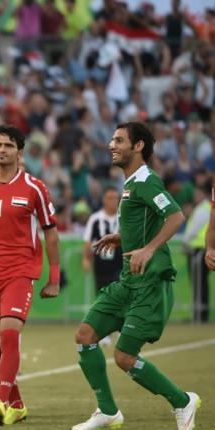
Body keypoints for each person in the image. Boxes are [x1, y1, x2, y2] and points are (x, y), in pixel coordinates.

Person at [73, 123, 200, 430]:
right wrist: (123, 237)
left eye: (119, 140)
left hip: (150, 283)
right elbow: (148, 221)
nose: (111, 145)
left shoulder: (145, 181)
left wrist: (148, 249)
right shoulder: (131, 184)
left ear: (138, 145)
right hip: (129, 281)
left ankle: (183, 401)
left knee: (124, 356)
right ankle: (107, 411)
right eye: (112, 139)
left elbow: (175, 216)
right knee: (86, 336)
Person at [0, 124, 61, 425]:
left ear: (20, 151)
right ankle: (16, 403)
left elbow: (51, 233)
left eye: (8, 145)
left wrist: (54, 277)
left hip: (20, 271)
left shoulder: (35, 187)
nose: (2, 150)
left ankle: (1, 399)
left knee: (9, 331)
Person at [82, 188, 123, 292]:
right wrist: (86, 258)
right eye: (110, 198)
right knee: (102, 295)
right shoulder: (95, 219)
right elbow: (87, 241)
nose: (113, 201)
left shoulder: (124, 218)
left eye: (115, 198)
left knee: (118, 295)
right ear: (104, 200)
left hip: (120, 264)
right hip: (101, 265)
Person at [181, 186, 210, 323]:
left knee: (198, 284)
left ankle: (198, 316)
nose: (195, 197)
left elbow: (192, 231)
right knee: (202, 284)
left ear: (203, 194)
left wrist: (185, 243)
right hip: (204, 250)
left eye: (197, 194)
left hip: (198, 251)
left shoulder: (202, 210)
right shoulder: (207, 208)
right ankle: (201, 315)